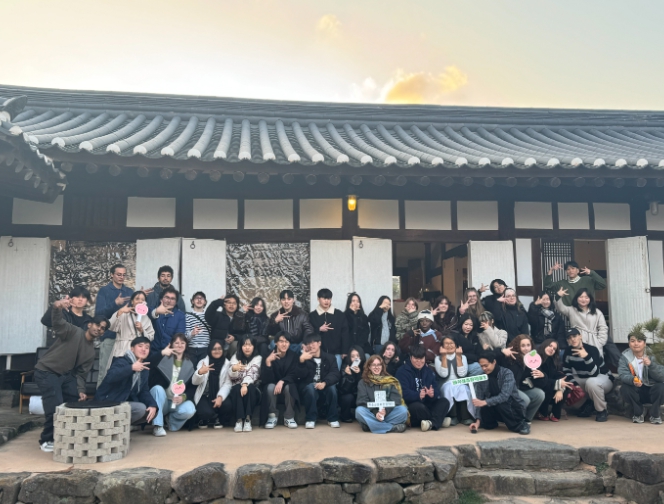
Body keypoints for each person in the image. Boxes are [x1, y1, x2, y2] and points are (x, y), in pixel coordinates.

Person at [35, 298, 109, 452]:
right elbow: (57, 323)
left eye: (103, 328)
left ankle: (66, 434)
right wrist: (57, 307)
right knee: (55, 405)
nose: (99, 329)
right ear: (89, 325)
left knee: (74, 401)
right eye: (97, 325)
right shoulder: (73, 331)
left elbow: (81, 374)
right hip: (47, 371)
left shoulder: (90, 352)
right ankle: (47, 440)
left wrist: (80, 390)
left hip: (65, 375)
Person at [94, 336, 158, 426]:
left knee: (149, 411)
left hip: (124, 404)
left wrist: (152, 405)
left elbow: (144, 391)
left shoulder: (144, 369)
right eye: (140, 346)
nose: (144, 349)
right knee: (140, 408)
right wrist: (131, 368)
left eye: (147, 347)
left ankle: (121, 427)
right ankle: (116, 426)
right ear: (132, 349)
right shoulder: (121, 361)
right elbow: (111, 377)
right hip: (108, 401)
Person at [468, 351, 530, 435]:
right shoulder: (481, 377)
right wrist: (477, 422)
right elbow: (479, 400)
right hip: (495, 408)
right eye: (481, 366)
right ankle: (491, 423)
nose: (484, 368)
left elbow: (504, 396)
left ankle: (521, 425)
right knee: (485, 408)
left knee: (501, 403)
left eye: (486, 365)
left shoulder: (506, 373)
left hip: (512, 407)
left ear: (494, 362)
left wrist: (485, 402)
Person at [148, 333, 196, 436]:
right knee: (157, 389)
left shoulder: (191, 363)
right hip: (162, 401)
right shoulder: (163, 358)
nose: (179, 345)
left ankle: (170, 421)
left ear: (186, 345)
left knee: (190, 409)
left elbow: (193, 387)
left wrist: (184, 397)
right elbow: (148, 364)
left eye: (182, 343)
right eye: (176, 343)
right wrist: (161, 353)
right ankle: (158, 426)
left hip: (176, 402)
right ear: (171, 344)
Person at [562, 328, 613, 422]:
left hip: (602, 377)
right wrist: (575, 385)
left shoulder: (592, 349)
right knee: (566, 384)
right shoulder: (568, 351)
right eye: (569, 338)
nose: (572, 339)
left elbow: (594, 373)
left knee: (591, 382)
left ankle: (602, 411)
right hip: (584, 378)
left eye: (574, 336)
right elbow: (566, 370)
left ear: (580, 336)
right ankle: (587, 405)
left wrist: (586, 357)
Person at [396, 345, 451, 431]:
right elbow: (402, 392)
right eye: (416, 359)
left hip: (428, 404)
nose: (419, 362)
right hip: (412, 405)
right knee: (417, 407)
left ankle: (432, 422)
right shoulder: (402, 371)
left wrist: (432, 394)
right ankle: (438, 420)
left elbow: (437, 391)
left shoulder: (428, 371)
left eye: (421, 358)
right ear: (410, 357)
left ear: (425, 358)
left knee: (444, 401)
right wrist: (418, 395)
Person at [95, 264, 134, 385]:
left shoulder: (129, 292)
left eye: (124, 275)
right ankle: (101, 397)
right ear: (111, 275)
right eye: (119, 274)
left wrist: (140, 299)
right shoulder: (104, 291)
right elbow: (98, 314)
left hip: (126, 339)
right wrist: (115, 303)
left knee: (123, 372)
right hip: (109, 337)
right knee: (105, 372)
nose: (121, 277)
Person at [618, 329, 664, 424]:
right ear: (629, 343)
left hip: (652, 389)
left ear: (645, 343)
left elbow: (661, 376)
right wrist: (632, 380)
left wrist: (651, 365)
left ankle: (655, 414)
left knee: (661, 387)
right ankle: (638, 412)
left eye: (639, 341)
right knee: (625, 388)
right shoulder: (625, 357)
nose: (636, 344)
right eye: (633, 341)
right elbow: (622, 374)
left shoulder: (654, 355)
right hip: (636, 389)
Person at [104, 290, 155, 376]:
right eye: (137, 299)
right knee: (118, 374)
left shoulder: (146, 319)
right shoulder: (123, 313)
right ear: (132, 301)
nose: (140, 301)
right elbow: (110, 326)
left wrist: (142, 330)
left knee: (134, 375)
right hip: (122, 349)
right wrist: (120, 312)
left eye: (142, 299)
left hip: (137, 353)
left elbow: (151, 337)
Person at [355, 355, 409, 434]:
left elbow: (396, 399)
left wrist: (385, 411)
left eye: (379, 365)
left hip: (387, 414)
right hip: (372, 414)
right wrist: (376, 413)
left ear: (382, 366)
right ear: (369, 367)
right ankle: (391, 428)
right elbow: (362, 401)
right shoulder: (363, 382)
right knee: (359, 411)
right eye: (373, 365)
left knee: (403, 411)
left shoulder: (389, 380)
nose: (376, 367)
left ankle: (370, 425)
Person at [297, 333, 341, 429]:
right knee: (309, 388)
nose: (311, 345)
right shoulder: (304, 358)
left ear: (319, 343)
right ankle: (310, 419)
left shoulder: (330, 358)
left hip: (325, 385)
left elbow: (335, 374)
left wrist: (325, 383)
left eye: (313, 343)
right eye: (308, 343)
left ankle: (332, 419)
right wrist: (301, 362)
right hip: (310, 386)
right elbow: (299, 376)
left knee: (332, 388)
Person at [498, 334, 546, 422]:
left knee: (540, 394)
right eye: (523, 346)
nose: (526, 348)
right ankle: (516, 421)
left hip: (523, 388)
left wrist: (542, 376)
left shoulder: (533, 358)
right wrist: (502, 351)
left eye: (528, 345)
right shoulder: (510, 357)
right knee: (524, 399)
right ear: (517, 346)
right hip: (509, 388)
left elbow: (541, 382)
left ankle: (526, 420)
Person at [260, 331, 301, 429]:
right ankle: (272, 416)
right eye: (281, 341)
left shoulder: (294, 356)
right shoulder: (267, 356)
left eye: (286, 342)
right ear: (275, 343)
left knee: (290, 387)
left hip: (287, 386)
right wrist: (268, 362)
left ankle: (289, 417)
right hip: (273, 389)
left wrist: (282, 381)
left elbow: (295, 374)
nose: (284, 344)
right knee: (270, 387)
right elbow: (265, 379)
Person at [435, 336, 475, 426]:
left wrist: (458, 357)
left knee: (463, 389)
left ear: (456, 345)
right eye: (446, 343)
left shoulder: (463, 357)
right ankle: (453, 416)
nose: (449, 346)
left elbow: (462, 374)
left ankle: (465, 417)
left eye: (451, 343)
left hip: (459, 382)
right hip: (446, 383)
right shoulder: (438, 359)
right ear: (442, 346)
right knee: (449, 388)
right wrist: (444, 357)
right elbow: (443, 374)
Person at [192, 339, 232, 429]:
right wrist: (200, 373)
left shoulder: (227, 363)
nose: (217, 351)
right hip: (205, 395)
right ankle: (205, 418)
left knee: (228, 405)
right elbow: (194, 382)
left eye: (219, 348)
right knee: (206, 412)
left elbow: (227, 384)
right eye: (214, 349)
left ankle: (218, 418)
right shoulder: (203, 362)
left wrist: (220, 397)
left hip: (219, 393)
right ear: (210, 350)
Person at [555, 288, 608, 353]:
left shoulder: (597, 312)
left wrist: (600, 342)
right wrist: (558, 296)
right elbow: (560, 308)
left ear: (590, 299)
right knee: (577, 358)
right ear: (576, 298)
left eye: (586, 297)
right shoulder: (572, 310)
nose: (583, 299)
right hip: (577, 342)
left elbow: (603, 328)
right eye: (581, 297)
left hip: (594, 342)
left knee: (594, 359)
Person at [309, 288, 350, 370]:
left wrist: (344, 351)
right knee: (319, 376)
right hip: (318, 353)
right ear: (318, 299)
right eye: (324, 298)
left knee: (335, 374)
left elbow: (345, 333)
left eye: (329, 298)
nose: (326, 301)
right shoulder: (312, 316)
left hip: (336, 353)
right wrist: (318, 329)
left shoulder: (339, 314)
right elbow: (308, 333)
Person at [228, 335, 262, 432]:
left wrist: (244, 384)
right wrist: (234, 369)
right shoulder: (235, 357)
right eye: (244, 345)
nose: (247, 348)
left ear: (254, 346)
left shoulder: (258, 358)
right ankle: (239, 420)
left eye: (250, 345)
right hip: (237, 388)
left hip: (253, 389)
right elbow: (232, 377)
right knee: (236, 388)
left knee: (250, 388)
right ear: (240, 347)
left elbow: (253, 373)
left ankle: (248, 419)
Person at [536, 338, 573, 422]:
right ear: (544, 345)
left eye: (554, 348)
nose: (552, 349)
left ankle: (555, 413)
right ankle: (542, 412)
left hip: (551, 385)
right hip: (540, 386)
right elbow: (540, 380)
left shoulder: (553, 360)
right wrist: (558, 384)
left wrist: (560, 389)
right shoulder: (536, 359)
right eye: (550, 346)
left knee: (566, 386)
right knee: (549, 387)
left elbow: (559, 375)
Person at [149, 286, 186, 354]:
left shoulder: (180, 315)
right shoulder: (153, 310)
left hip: (170, 352)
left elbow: (179, 335)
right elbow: (150, 316)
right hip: (152, 351)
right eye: (167, 297)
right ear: (161, 299)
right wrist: (156, 312)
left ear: (176, 302)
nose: (169, 301)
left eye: (172, 299)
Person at [338, 346, 366, 422]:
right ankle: (345, 416)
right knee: (347, 397)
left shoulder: (366, 367)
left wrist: (359, 375)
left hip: (362, 396)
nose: (355, 358)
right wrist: (349, 376)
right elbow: (343, 390)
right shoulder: (345, 367)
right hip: (349, 395)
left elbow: (366, 387)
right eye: (352, 356)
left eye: (358, 356)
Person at [185, 291, 212, 366]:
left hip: (205, 348)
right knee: (191, 370)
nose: (199, 300)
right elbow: (184, 337)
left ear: (205, 302)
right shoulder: (187, 316)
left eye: (202, 298)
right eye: (197, 298)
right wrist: (192, 333)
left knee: (203, 370)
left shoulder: (209, 316)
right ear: (192, 301)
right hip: (191, 349)